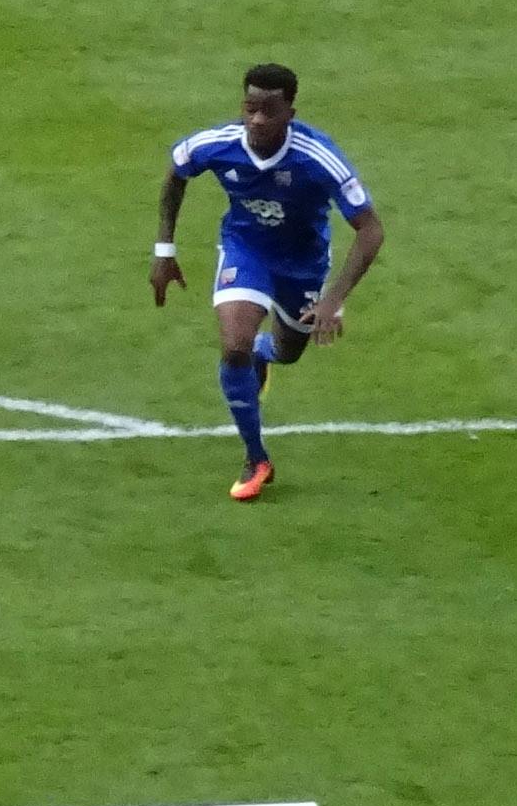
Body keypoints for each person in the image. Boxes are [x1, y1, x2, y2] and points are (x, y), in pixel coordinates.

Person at [151, 64, 382, 502]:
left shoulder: (317, 159)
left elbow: (370, 229)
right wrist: (165, 250)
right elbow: (177, 172)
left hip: (303, 264)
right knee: (233, 344)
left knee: (287, 351)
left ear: (289, 113)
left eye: (269, 111)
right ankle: (257, 458)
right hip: (245, 250)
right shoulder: (218, 145)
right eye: (250, 108)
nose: (257, 119)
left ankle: (266, 355)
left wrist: (332, 300)